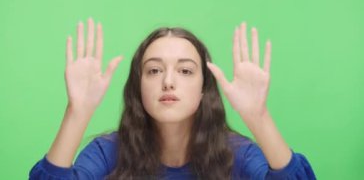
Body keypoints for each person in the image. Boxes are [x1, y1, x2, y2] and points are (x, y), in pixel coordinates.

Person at [29, 18, 316, 179]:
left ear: (205, 88)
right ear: (138, 87)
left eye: (185, 71)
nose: (168, 81)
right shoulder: (108, 152)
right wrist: (76, 113)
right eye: (154, 70)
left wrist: (259, 117)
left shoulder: (238, 154)